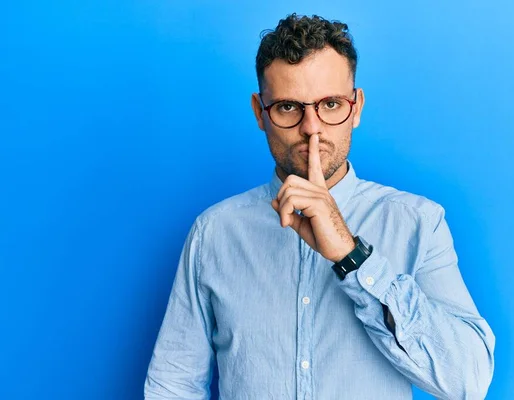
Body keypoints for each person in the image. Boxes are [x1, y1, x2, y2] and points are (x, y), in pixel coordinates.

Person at [144, 13, 495, 400]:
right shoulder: (214, 233)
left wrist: (351, 255)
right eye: (289, 107)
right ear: (260, 113)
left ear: (356, 107)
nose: (312, 127)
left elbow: (468, 381)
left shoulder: (418, 223)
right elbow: (173, 383)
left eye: (330, 104)